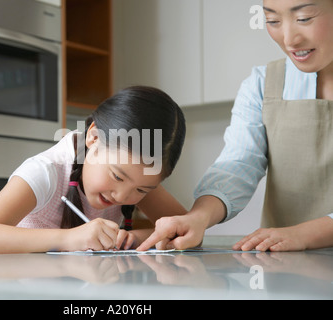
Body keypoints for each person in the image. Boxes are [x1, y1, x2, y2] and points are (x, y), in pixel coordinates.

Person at [138, 0, 333, 252]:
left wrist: (306, 235)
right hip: (287, 269)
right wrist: (199, 217)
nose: (289, 39)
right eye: (272, 21)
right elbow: (240, 164)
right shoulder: (262, 84)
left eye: (304, 18)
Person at [0, 86, 187, 254]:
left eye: (142, 190)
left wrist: (135, 238)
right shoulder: (46, 171)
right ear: (93, 137)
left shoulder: (133, 176)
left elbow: (184, 230)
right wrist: (69, 238)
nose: (124, 196)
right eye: (117, 176)